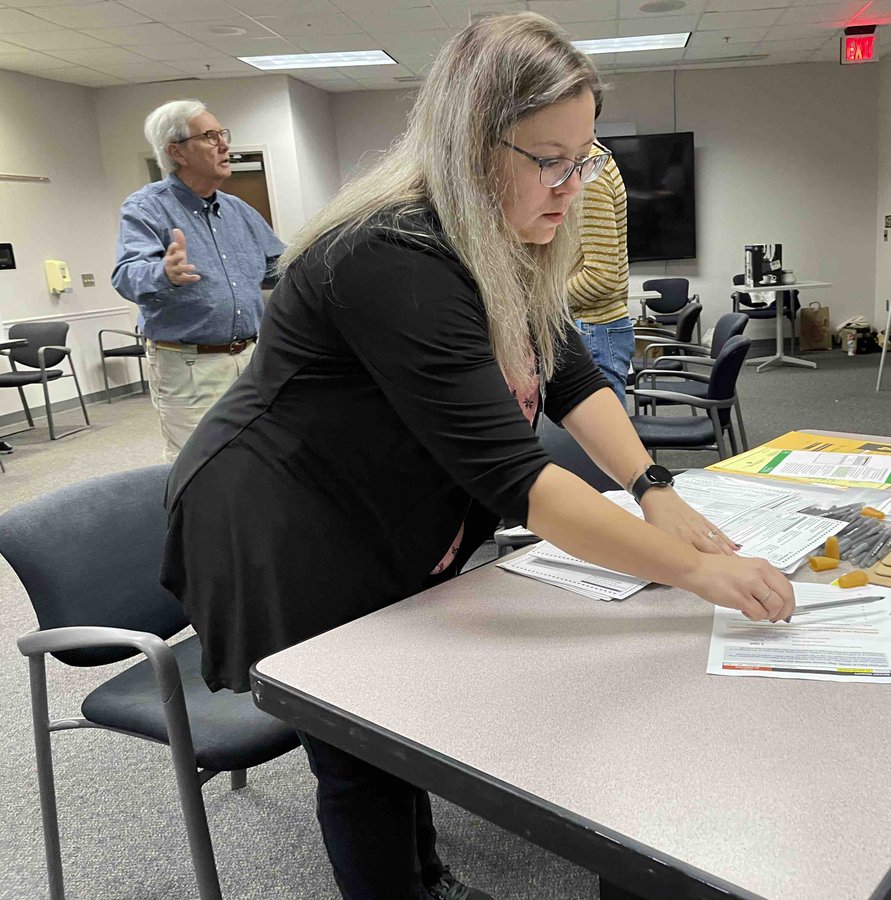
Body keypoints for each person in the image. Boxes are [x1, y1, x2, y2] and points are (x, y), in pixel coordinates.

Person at [161, 13, 794, 900]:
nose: (572, 186)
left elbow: (566, 372)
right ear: (472, 142)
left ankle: (426, 874)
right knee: (358, 753)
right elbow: (515, 477)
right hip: (281, 516)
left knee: (396, 713)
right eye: (551, 160)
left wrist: (653, 487)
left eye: (584, 159)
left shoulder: (497, 235)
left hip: (374, 494)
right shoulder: (388, 253)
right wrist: (695, 572)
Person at [111, 99, 285, 461]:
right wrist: (164, 273)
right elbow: (126, 275)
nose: (224, 144)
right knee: (197, 466)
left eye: (222, 134)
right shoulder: (147, 207)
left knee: (257, 457)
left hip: (249, 359)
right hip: (189, 367)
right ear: (177, 152)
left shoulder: (239, 211)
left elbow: (280, 268)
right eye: (210, 136)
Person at [566, 149, 633, 394]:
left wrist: (540, 302)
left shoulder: (590, 170)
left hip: (593, 328)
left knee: (601, 420)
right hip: (592, 329)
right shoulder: (586, 166)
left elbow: (600, 278)